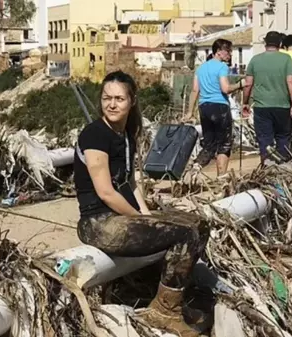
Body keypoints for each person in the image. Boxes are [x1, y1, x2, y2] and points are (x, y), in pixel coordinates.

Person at [75, 70, 209, 337]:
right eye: (106, 98)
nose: (112, 104)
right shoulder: (95, 135)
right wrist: (141, 219)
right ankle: (163, 312)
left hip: (120, 218)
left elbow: (130, 183)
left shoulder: (125, 134)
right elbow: (106, 193)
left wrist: (149, 215)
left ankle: (174, 301)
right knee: (183, 234)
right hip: (99, 223)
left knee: (198, 225)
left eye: (119, 99)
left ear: (131, 101)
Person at [186, 39, 246, 176]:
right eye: (228, 51)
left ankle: (196, 166)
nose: (230, 55)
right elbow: (225, 89)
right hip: (220, 107)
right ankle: (221, 177)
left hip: (204, 107)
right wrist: (240, 85)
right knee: (224, 144)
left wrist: (190, 112)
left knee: (209, 144)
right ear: (218, 52)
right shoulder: (222, 67)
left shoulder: (200, 68)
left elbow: (195, 90)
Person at [243, 31, 292, 163]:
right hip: (282, 106)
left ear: (265, 43)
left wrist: (245, 102)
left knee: (265, 140)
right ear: (279, 43)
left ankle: (267, 167)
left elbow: (248, 83)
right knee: (283, 139)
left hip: (262, 107)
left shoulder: (255, 60)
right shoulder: (286, 59)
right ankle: (282, 167)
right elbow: (291, 81)